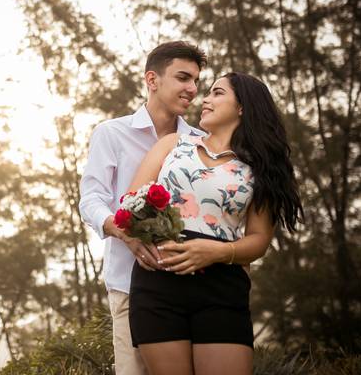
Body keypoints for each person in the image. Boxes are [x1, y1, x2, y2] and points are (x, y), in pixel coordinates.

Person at [126, 72, 304, 375]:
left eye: (217, 93)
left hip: (222, 288)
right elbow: (131, 201)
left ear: (242, 107)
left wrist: (216, 252)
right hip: (158, 283)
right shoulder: (173, 144)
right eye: (207, 93)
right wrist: (146, 236)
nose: (205, 99)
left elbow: (259, 239)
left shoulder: (261, 168)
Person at [79, 41, 207, 375]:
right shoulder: (111, 133)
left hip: (193, 288)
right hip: (129, 285)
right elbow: (91, 199)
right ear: (152, 80)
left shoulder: (200, 142)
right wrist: (126, 233)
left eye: (196, 81)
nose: (193, 89)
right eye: (183, 77)